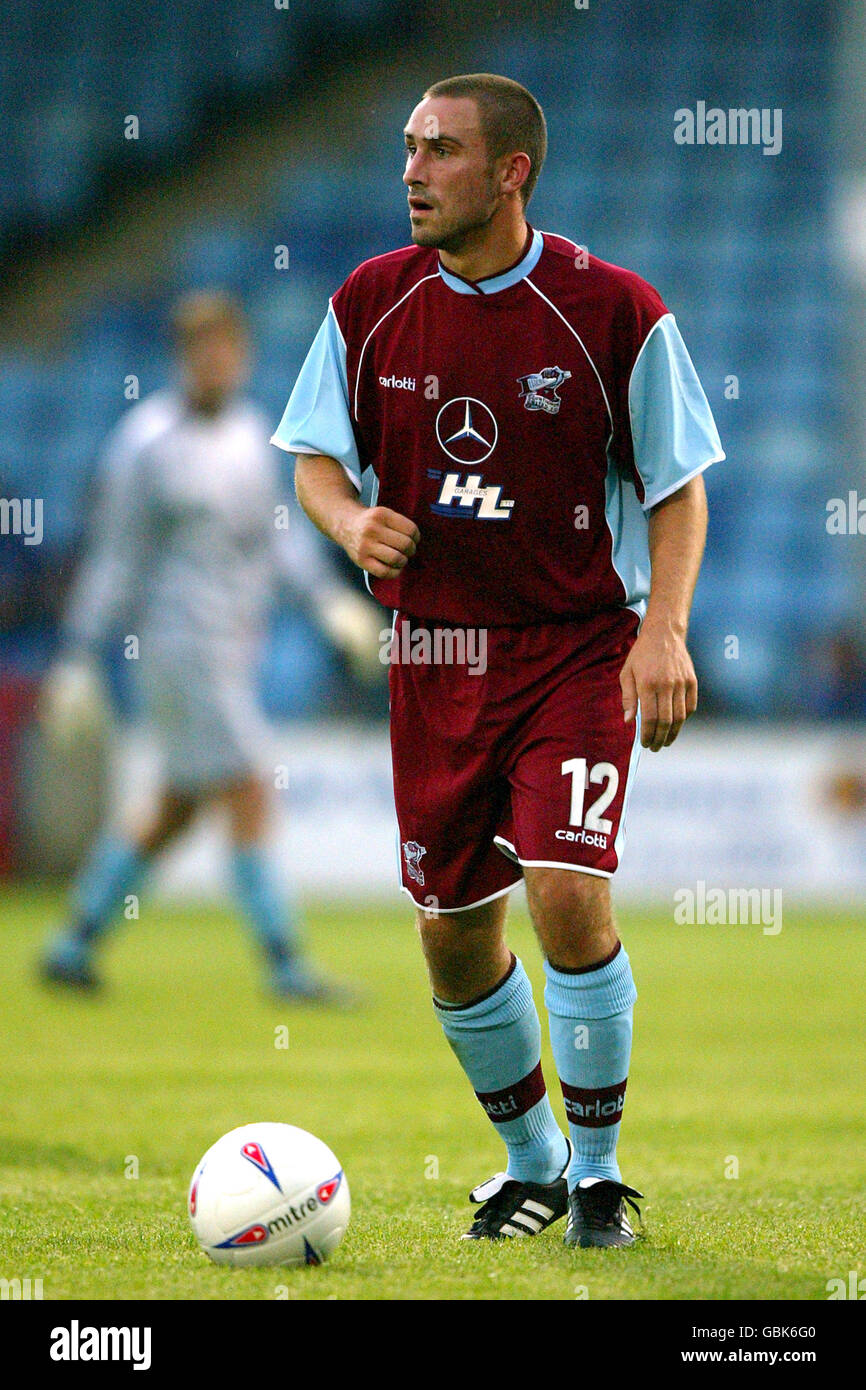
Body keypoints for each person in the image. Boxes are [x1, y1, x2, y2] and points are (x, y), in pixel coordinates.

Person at [274, 74, 724, 1245]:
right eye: (407, 147)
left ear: (509, 170)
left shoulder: (613, 309)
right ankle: (527, 1164)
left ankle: (599, 1174)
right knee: (452, 929)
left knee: (567, 893)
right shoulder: (370, 301)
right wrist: (345, 523)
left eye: (439, 150)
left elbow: (677, 488)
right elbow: (315, 460)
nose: (411, 171)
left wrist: (662, 629)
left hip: (576, 646)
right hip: (432, 653)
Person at [40, 290, 378, 1003]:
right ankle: (285, 964)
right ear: (182, 358)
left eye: (228, 347)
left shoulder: (254, 435)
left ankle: (74, 943)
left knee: (177, 806)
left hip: (233, 646)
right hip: (175, 646)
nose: (217, 360)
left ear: (242, 354)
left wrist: (328, 603)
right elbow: (115, 556)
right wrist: (78, 651)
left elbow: (279, 542)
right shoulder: (146, 442)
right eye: (203, 349)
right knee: (251, 786)